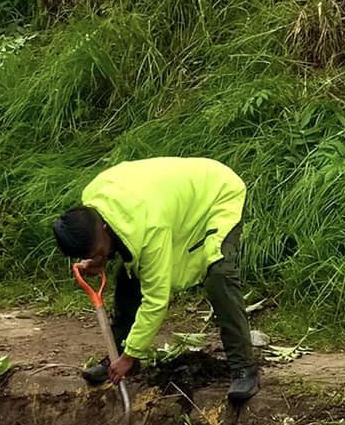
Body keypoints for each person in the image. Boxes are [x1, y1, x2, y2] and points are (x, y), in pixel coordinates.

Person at [52, 157, 259, 404]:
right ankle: (116, 354)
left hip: (215, 193)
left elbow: (156, 301)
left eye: (96, 251)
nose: (95, 258)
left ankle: (244, 367)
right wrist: (100, 257)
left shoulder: (150, 229)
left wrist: (132, 354)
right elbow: (119, 239)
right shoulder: (94, 201)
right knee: (129, 276)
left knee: (218, 274)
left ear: (105, 228)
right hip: (170, 201)